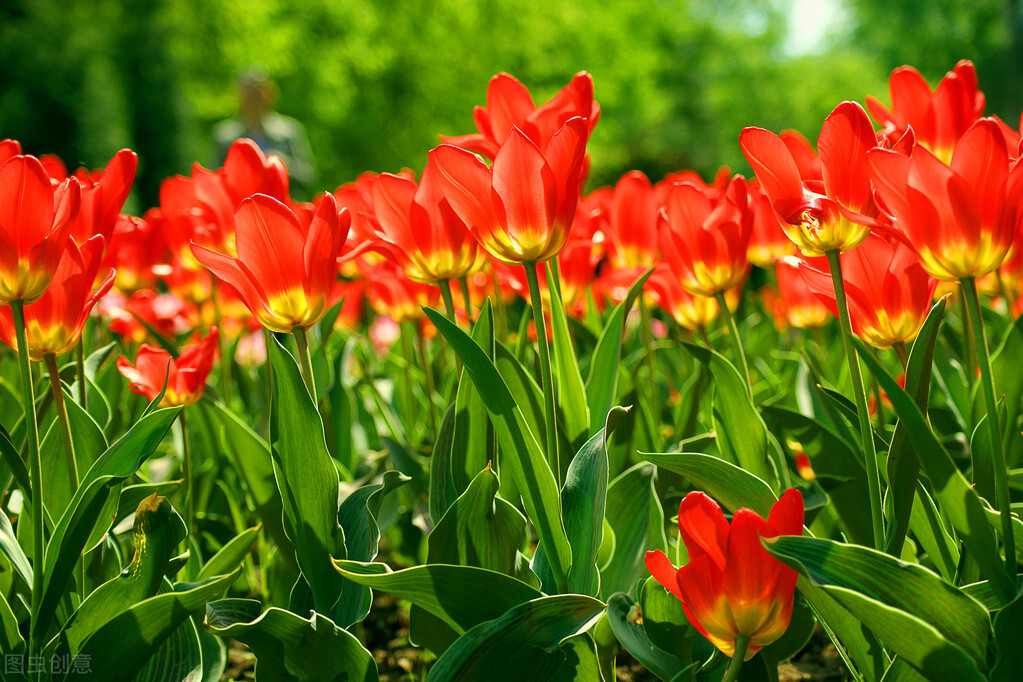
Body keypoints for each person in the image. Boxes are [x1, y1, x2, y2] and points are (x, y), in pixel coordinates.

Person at [213, 65, 316, 192]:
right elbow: (214, 179)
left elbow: (308, 176)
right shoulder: (225, 135)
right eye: (248, 91)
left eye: (257, 91)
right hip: (241, 202)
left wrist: (282, 163)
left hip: (283, 201)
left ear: (270, 93)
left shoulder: (289, 131)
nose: (253, 97)